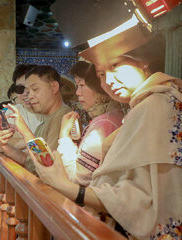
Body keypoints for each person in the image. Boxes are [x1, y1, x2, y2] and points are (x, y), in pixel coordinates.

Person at [33, 24, 182, 239]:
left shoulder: (153, 105)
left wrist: (62, 184)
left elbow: (140, 198)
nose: (108, 81)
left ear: (144, 61)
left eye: (115, 65)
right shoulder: (157, 100)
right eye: (102, 73)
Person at [57, 61, 123, 186]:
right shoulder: (114, 115)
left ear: (99, 88)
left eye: (82, 85)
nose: (77, 92)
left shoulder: (104, 124)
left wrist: (64, 137)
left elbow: (78, 180)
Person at [0, 65, 72, 173]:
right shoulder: (48, 119)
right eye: (28, 91)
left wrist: (25, 131)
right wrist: (3, 145)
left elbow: (48, 164)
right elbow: (26, 158)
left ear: (54, 87)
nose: (30, 96)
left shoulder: (63, 116)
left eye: (35, 89)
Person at [0, 64, 44, 152]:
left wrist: (23, 139)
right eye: (20, 89)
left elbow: (43, 152)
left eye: (32, 88)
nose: (25, 93)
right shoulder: (12, 112)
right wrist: (35, 140)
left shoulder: (54, 111)